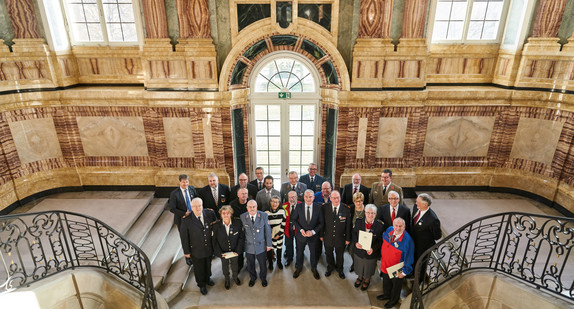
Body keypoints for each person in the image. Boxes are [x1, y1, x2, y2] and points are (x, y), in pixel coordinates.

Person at [179, 198, 217, 295]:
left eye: (200, 205)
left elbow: (215, 228)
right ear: (191, 208)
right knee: (199, 268)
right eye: (195, 206)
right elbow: (184, 238)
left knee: (208, 264)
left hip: (209, 247)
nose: (198, 208)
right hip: (196, 249)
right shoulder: (186, 220)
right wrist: (186, 252)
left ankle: (208, 278)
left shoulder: (210, 214)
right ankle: (201, 284)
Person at [377, 217, 415, 308]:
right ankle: (386, 294)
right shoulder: (389, 230)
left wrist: (405, 272)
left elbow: (409, 257)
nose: (398, 228)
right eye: (396, 225)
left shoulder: (408, 240)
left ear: (404, 227)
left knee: (396, 286)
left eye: (400, 226)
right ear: (393, 225)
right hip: (385, 263)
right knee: (386, 281)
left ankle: (393, 300)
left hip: (396, 268)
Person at [291, 189, 324, 280]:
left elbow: (321, 223)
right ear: (303, 197)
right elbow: (293, 219)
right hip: (301, 235)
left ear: (313, 197)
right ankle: (299, 268)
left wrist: (313, 232)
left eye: (310, 197)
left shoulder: (318, 207)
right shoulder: (298, 206)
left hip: (313, 236)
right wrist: (301, 229)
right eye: (306, 196)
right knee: (299, 252)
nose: (308, 199)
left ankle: (314, 268)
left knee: (313, 253)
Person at [241, 200, 272, 287]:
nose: (252, 209)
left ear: (257, 207)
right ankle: (252, 278)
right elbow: (242, 233)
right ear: (247, 208)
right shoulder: (243, 217)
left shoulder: (263, 215)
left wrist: (269, 244)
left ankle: (263, 278)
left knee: (262, 264)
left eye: (254, 206)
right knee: (250, 264)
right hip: (249, 246)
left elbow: (267, 231)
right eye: (250, 207)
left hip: (261, 245)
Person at [352, 204, 384, 291]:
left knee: (369, 267)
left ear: (376, 214)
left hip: (371, 252)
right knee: (359, 265)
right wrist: (356, 243)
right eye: (368, 213)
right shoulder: (358, 222)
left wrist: (373, 249)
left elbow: (380, 241)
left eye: (373, 213)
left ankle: (367, 279)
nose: (370, 215)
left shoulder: (380, 226)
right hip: (359, 250)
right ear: (365, 213)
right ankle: (360, 277)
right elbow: (354, 233)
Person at [411, 193, 441, 282]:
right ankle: (412, 274)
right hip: (413, 242)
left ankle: (419, 281)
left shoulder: (432, 219)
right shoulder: (416, 207)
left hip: (423, 247)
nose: (416, 203)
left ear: (425, 204)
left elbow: (437, 236)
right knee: (413, 260)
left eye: (418, 202)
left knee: (421, 265)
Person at [212, 206, 244, 290]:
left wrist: (238, 251)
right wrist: (219, 253)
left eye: (228, 213)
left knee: (235, 265)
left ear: (231, 214)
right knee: (225, 266)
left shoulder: (237, 223)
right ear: (221, 215)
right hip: (223, 252)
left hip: (234, 251)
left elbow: (241, 238)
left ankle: (235, 277)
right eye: (223, 213)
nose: (226, 215)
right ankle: (227, 279)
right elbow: (214, 241)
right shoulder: (216, 226)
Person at [321, 191, 351, 279]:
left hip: (341, 237)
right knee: (328, 254)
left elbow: (348, 225)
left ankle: (340, 269)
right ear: (330, 198)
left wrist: (348, 238)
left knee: (340, 255)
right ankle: (330, 267)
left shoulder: (346, 208)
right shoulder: (325, 207)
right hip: (328, 236)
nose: (336, 200)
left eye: (338, 197)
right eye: (334, 198)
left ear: (340, 198)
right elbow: (322, 222)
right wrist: (321, 235)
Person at [265, 195, 286, 271]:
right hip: (269, 235)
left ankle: (279, 262)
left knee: (279, 248)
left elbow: (284, 224)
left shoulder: (282, 211)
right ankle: (270, 263)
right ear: (270, 202)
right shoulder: (266, 212)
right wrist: (269, 234)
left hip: (279, 234)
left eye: (276, 202)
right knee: (270, 250)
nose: (275, 204)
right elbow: (265, 225)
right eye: (273, 201)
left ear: (279, 203)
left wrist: (279, 234)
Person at [282, 190, 301, 266]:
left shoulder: (301, 205)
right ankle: (290, 258)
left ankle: (298, 260)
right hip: (288, 229)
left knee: (299, 245)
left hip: (298, 229)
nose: (292, 199)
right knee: (288, 244)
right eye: (290, 197)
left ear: (296, 197)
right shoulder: (284, 205)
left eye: (293, 197)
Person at [349, 191, 366, 272]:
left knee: (361, 251)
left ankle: (361, 266)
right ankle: (354, 263)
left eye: (361, 201)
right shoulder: (351, 208)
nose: (359, 203)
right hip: (352, 232)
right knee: (351, 250)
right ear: (354, 201)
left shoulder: (366, 209)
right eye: (357, 201)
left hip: (363, 234)